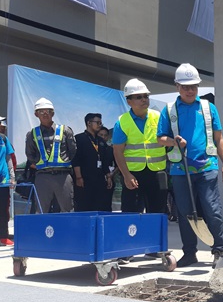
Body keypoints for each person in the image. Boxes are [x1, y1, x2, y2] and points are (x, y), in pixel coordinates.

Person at [157, 64, 223, 268]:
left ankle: (219, 250)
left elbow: (219, 138)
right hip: (180, 170)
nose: (190, 90)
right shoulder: (169, 110)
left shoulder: (208, 107)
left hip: (207, 167)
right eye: (185, 86)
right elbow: (160, 138)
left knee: (212, 209)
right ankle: (189, 253)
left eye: (194, 86)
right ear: (177, 86)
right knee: (185, 213)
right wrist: (174, 142)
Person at [112, 79, 167, 218]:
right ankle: (131, 240)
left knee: (158, 214)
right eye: (138, 97)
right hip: (133, 174)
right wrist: (126, 175)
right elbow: (118, 151)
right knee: (130, 214)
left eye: (145, 96)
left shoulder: (159, 117)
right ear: (128, 101)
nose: (144, 100)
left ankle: (155, 240)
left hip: (157, 172)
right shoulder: (122, 122)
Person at [25, 98, 77, 213]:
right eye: (41, 111)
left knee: (67, 209)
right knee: (41, 210)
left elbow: (73, 151)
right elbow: (30, 154)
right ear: (35, 114)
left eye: (47, 111)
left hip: (63, 176)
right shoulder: (32, 134)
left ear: (52, 113)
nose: (44, 114)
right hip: (42, 177)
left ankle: (67, 231)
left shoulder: (65, 131)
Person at [72, 113, 113, 211]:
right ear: (89, 123)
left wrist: (108, 176)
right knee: (84, 206)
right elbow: (76, 159)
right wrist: (78, 177)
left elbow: (105, 161)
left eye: (101, 123)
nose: (100, 125)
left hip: (99, 179)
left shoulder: (101, 141)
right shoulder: (79, 138)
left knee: (100, 205)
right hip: (84, 179)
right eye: (97, 122)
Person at [0, 113, 16, 245]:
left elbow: (9, 159)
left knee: (2, 210)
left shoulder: (3, 139)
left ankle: (3, 237)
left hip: (2, 182)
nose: (0, 125)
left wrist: (12, 177)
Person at [97, 126, 116, 211]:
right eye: (101, 135)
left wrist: (111, 175)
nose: (103, 137)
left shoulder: (111, 150)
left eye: (105, 135)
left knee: (106, 204)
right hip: (95, 179)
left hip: (108, 180)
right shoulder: (94, 148)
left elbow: (118, 165)